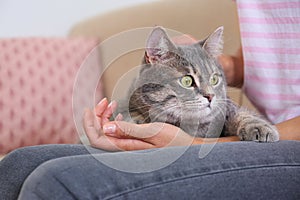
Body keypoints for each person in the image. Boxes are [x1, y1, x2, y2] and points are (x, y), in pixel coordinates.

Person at [1, 0, 299, 199]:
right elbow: (269, 55)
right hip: (264, 126)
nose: (210, 95)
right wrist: (213, 66)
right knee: (17, 164)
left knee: (54, 182)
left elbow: (230, 114)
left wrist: (198, 145)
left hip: (289, 140)